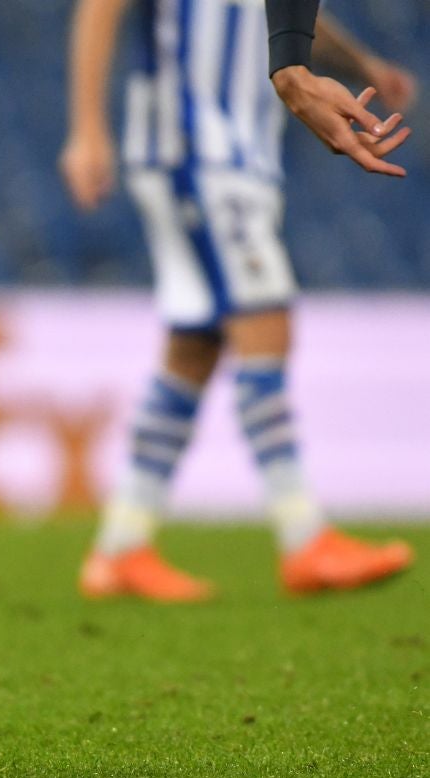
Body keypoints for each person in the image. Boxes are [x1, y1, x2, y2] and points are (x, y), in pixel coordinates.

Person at [59, 0, 415, 602]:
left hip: (235, 152)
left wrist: (360, 62)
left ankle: (121, 546)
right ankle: (304, 537)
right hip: (197, 147)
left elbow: (273, 14)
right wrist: (88, 126)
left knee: (194, 347)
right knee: (264, 317)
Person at [265, 0, 412, 176]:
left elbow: (297, 25)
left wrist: (367, 68)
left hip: (256, 161)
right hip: (235, 161)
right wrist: (293, 76)